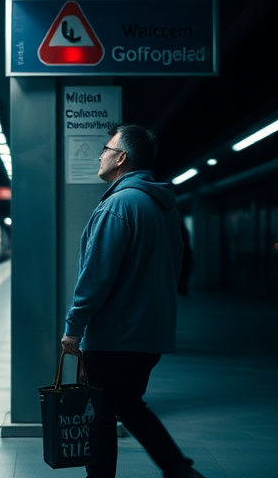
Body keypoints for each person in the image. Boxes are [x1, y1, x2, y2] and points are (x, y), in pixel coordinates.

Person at [60, 124, 204, 478]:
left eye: (106, 148)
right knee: (129, 404)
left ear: (121, 158)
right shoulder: (164, 207)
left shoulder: (118, 206)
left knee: (101, 416)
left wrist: (73, 328)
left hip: (114, 334)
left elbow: (95, 276)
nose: (100, 154)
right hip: (150, 334)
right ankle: (179, 469)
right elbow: (175, 266)